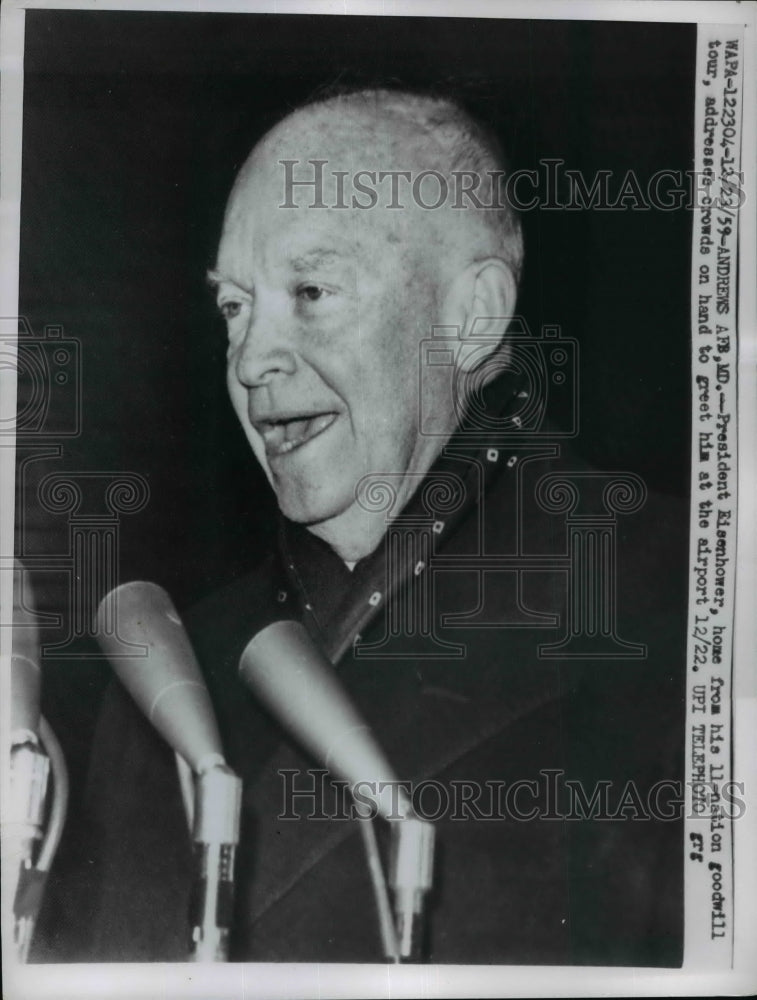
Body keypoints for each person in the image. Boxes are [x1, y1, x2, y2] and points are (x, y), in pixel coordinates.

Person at [35, 87, 687, 965]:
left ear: (471, 317)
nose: (250, 358)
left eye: (310, 290)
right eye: (233, 306)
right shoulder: (163, 671)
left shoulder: (676, 601)